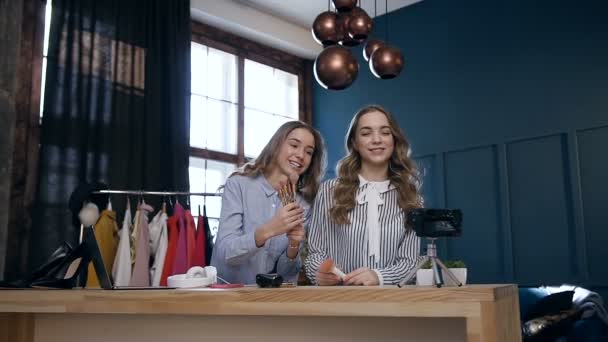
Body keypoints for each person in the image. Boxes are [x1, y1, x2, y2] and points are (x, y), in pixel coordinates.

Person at [305, 105, 422, 286]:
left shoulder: (411, 198)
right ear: (354, 143)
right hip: (340, 302)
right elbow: (315, 253)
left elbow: (410, 263)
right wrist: (319, 273)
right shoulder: (329, 191)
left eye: (385, 132)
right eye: (366, 133)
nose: (377, 140)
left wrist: (379, 277)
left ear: (394, 139)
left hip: (394, 305)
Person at [211, 121, 326, 284]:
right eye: (294, 145)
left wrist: (293, 247)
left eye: (309, 152)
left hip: (269, 301)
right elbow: (225, 254)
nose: (301, 155)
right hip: (227, 297)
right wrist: (269, 229)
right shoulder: (238, 185)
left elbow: (286, 275)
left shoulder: (304, 205)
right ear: (276, 144)